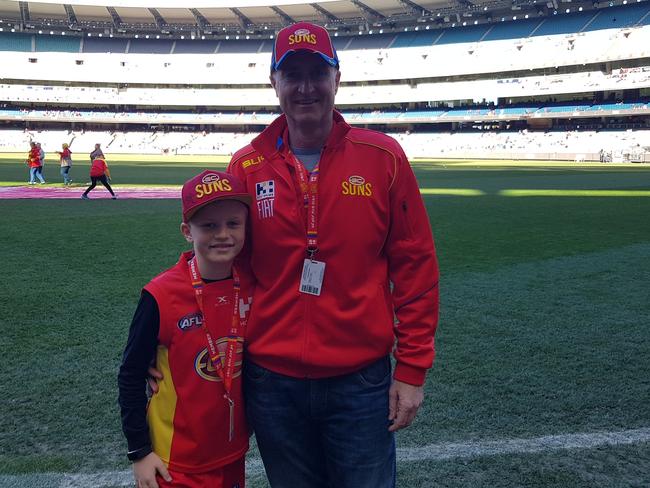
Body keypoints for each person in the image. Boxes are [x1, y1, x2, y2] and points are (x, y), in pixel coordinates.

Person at [228, 21, 439, 488]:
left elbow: (415, 264)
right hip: (273, 383)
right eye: (293, 73)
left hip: (359, 384)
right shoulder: (246, 166)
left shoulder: (383, 158)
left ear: (337, 78)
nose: (306, 87)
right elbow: (227, 265)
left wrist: (412, 367)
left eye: (317, 73)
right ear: (274, 82)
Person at [118, 170, 253, 488]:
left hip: (232, 454)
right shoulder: (161, 294)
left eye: (233, 223)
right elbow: (130, 374)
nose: (223, 234)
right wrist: (140, 452)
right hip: (175, 462)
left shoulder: (251, 285)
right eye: (209, 225)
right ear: (187, 231)